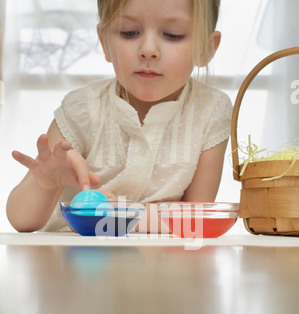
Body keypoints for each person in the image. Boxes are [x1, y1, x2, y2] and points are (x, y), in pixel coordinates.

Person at [6, 0, 232, 233]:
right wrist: (43, 185)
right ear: (104, 42)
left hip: (161, 265)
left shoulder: (211, 110)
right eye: (130, 32)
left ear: (207, 48)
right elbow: (21, 220)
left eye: (173, 35)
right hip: (72, 258)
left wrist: (121, 214)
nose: (148, 50)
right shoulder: (82, 109)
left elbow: (196, 216)